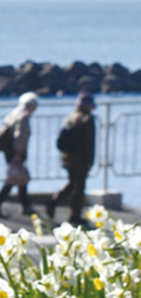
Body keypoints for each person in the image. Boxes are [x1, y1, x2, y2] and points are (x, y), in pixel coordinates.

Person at [48, 91, 96, 226]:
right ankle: (74, 215)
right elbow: (89, 143)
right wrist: (90, 160)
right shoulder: (88, 119)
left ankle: (55, 201)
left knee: (73, 183)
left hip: (67, 157)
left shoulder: (70, 117)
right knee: (79, 188)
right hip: (81, 159)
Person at [0, 91, 38, 217]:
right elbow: (21, 136)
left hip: (8, 150)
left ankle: (26, 205)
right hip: (15, 151)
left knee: (20, 178)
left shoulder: (13, 113)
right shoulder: (24, 116)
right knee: (14, 178)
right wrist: (20, 153)